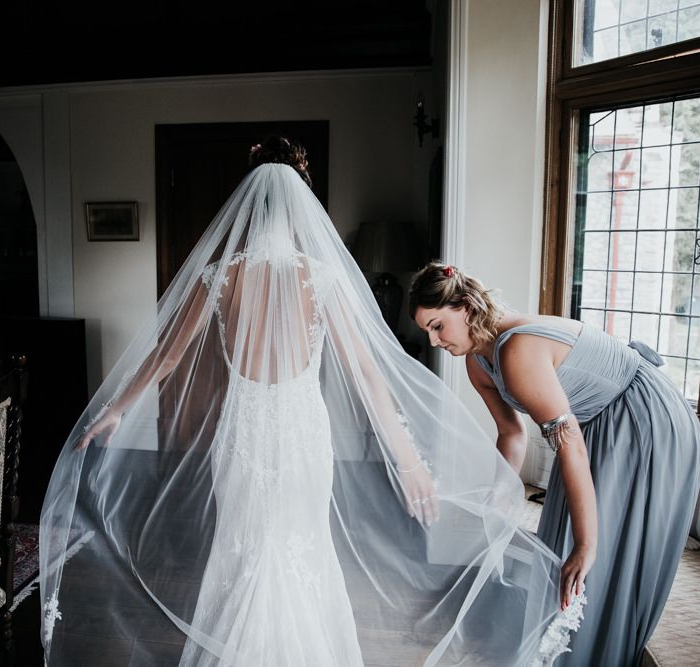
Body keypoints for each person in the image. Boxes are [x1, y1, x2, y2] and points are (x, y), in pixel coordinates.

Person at [40, 139, 582, 667]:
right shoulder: (321, 277)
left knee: (245, 545)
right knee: (302, 546)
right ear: (304, 198)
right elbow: (369, 376)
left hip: (244, 432)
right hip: (302, 433)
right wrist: (409, 462)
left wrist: (116, 408)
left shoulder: (220, 275)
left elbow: (165, 356)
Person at [410, 261, 700, 667]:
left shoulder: (516, 352)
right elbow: (511, 435)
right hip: (593, 426)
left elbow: (571, 448)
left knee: (595, 546)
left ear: (468, 308)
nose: (434, 340)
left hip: (640, 418)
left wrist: (586, 543)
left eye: (438, 325)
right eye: (427, 330)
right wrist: (499, 495)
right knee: (562, 544)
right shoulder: (478, 362)